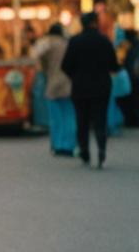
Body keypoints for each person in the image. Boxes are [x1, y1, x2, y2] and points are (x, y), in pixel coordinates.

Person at [61, 11, 119, 168]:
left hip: (80, 87)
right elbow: (114, 65)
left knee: (82, 121)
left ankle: (85, 151)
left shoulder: (75, 41)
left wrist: (76, 75)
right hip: (101, 87)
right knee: (100, 120)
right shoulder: (104, 41)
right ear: (95, 23)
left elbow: (65, 65)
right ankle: (101, 149)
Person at [30, 22, 75, 155]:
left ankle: (57, 143)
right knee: (69, 116)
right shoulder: (67, 44)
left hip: (52, 83)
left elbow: (36, 56)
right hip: (69, 83)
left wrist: (44, 69)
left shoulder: (47, 43)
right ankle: (69, 144)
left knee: (55, 117)